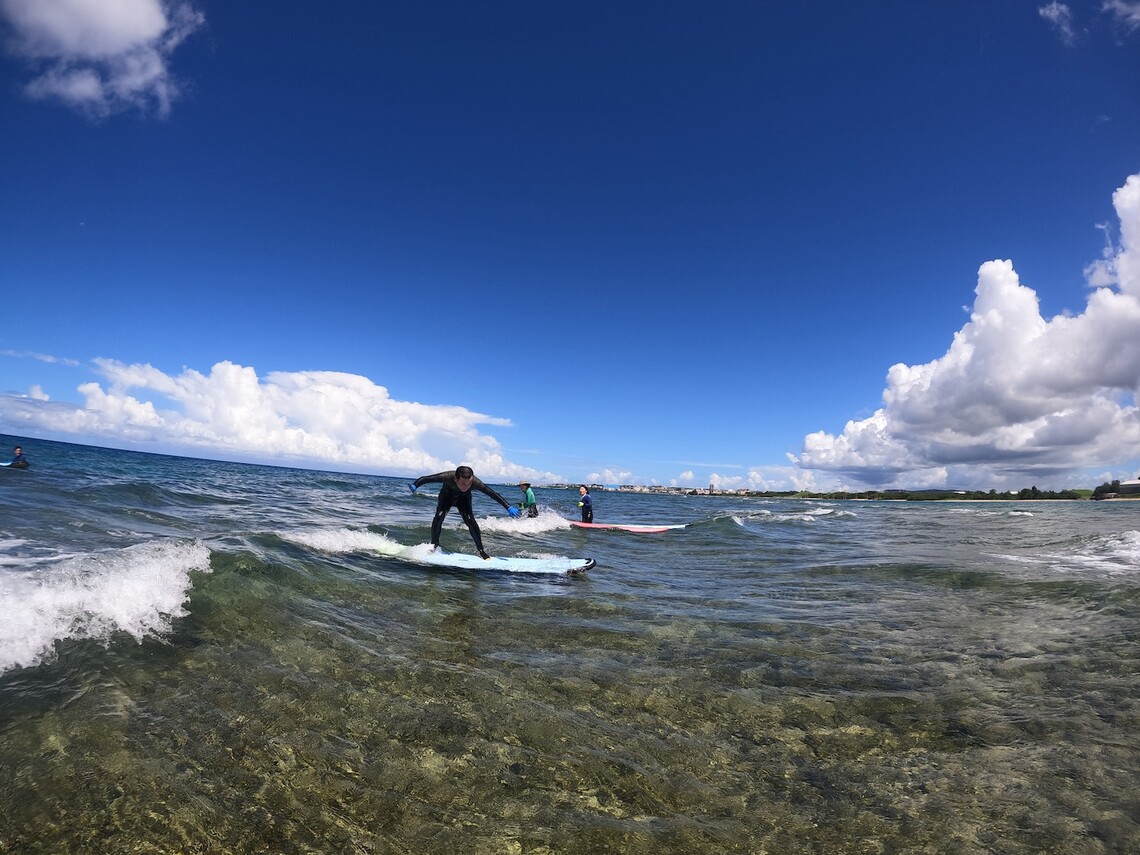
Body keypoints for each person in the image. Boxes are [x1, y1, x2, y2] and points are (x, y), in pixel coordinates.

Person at [410, 465, 519, 559]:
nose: (466, 487)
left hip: (463, 500)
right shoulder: (447, 476)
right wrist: (415, 485)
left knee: (470, 521)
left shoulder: (475, 483)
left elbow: (492, 493)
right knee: (439, 517)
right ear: (456, 479)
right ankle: (434, 544)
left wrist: (508, 507)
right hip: (446, 498)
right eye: (463, 484)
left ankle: (481, 551)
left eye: (469, 484)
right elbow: (427, 479)